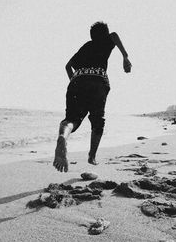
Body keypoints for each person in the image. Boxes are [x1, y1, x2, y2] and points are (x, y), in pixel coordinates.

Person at [53, 21, 132, 172]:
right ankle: (92, 156)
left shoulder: (85, 46)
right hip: (98, 81)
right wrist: (125, 57)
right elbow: (114, 35)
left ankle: (63, 137)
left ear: (91, 35)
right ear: (105, 34)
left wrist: (76, 81)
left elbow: (67, 66)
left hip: (77, 82)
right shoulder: (106, 40)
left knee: (71, 119)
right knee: (97, 121)